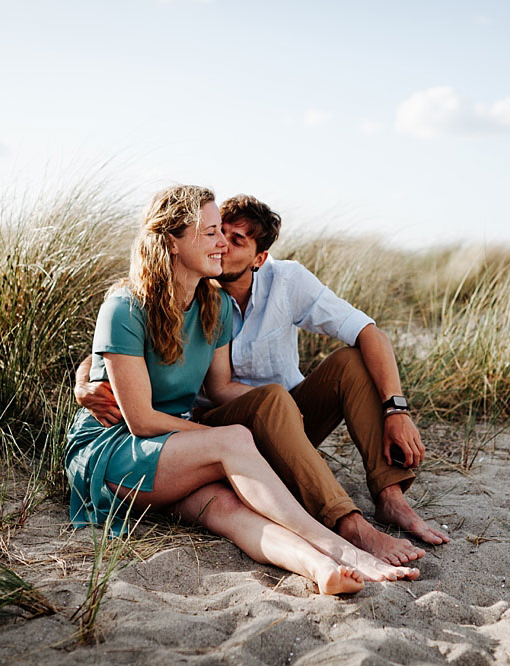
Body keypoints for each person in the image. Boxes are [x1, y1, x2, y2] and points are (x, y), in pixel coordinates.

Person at [64, 185, 418, 595]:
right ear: (173, 242)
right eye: (213, 232)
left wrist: (284, 413)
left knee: (231, 512)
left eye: (229, 236)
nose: (221, 244)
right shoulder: (125, 306)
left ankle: (320, 569)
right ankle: (342, 545)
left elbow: (220, 388)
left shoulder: (212, 307)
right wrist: (234, 441)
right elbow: (138, 416)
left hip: (181, 449)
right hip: (118, 446)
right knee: (233, 440)